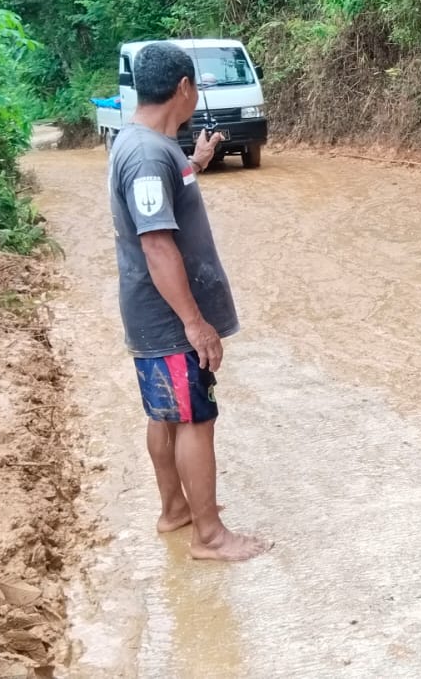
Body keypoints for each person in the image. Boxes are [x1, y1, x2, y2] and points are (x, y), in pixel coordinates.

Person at [109, 41, 270, 562]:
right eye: (196, 86)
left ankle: (175, 510)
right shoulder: (148, 155)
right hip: (168, 318)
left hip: (152, 315)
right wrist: (195, 324)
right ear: (183, 87)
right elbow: (157, 244)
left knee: (167, 415)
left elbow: (159, 203)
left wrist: (195, 162)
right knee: (194, 419)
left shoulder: (147, 146)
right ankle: (210, 536)